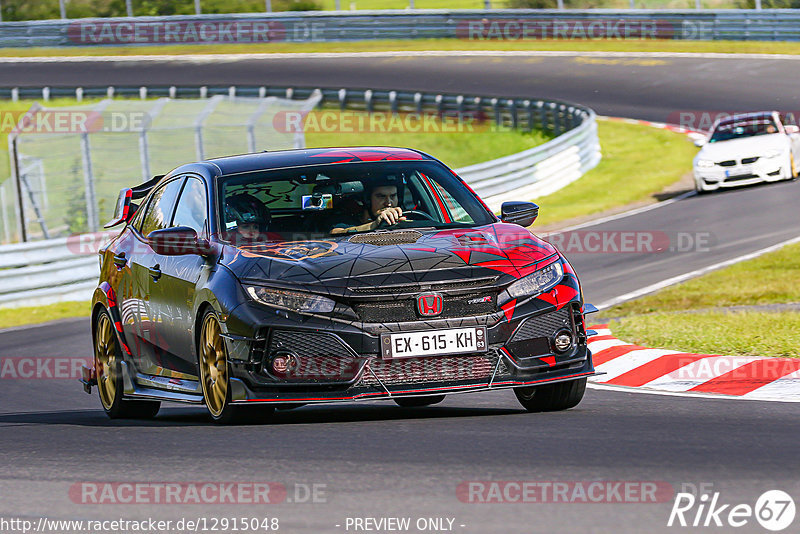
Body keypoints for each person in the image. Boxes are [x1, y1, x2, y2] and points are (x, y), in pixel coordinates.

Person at [330, 180, 406, 235]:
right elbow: (335, 233)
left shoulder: (404, 218)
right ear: (367, 200)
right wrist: (375, 224)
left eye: (393, 196)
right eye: (381, 197)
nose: (388, 203)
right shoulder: (346, 221)